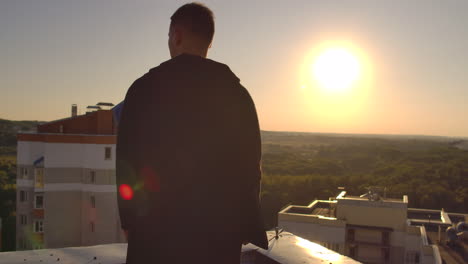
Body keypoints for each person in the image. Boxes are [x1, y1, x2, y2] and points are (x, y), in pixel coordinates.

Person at [116, 3, 268, 263]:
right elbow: (250, 167)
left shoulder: (143, 90)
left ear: (176, 35)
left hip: (154, 235)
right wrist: (245, 221)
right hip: (217, 237)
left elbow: (127, 163)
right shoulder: (237, 95)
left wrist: (129, 220)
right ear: (209, 42)